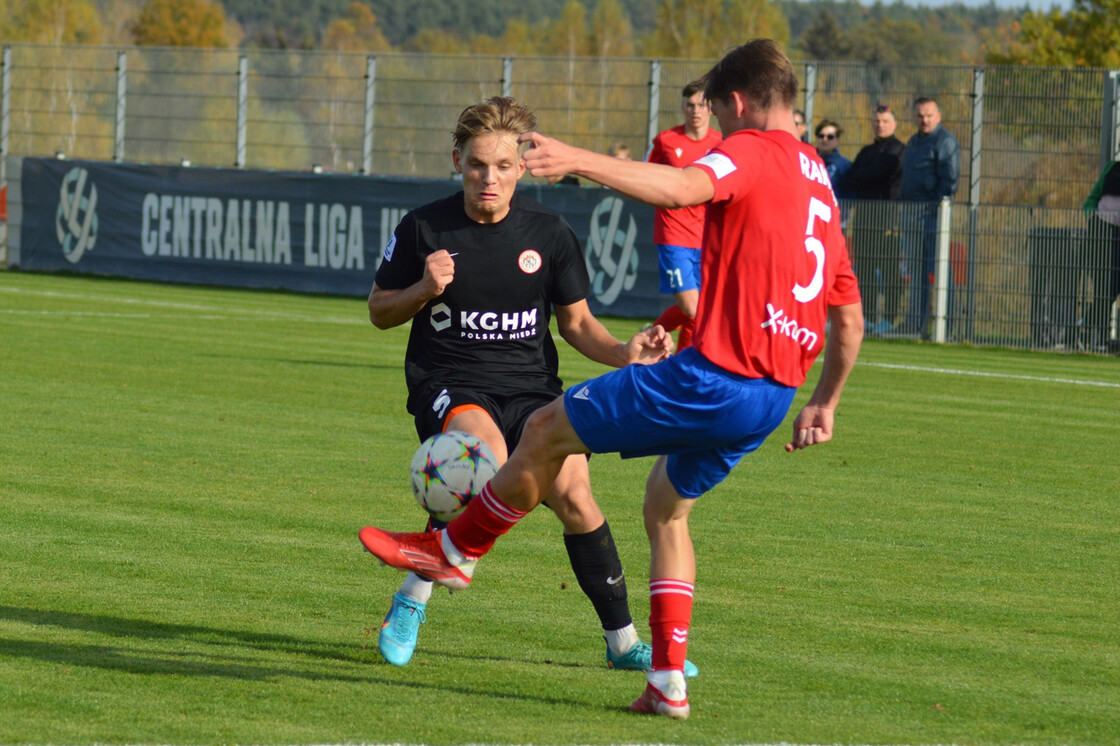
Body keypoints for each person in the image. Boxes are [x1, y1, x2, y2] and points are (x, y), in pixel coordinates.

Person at [360, 40, 863, 719]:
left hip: (715, 374)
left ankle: (454, 552)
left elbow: (684, 186)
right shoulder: (821, 185)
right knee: (665, 507)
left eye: (716, 111)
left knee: (544, 431)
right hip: (773, 398)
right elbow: (849, 317)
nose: (711, 126)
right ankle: (665, 682)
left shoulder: (753, 149)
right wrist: (824, 402)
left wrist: (577, 160)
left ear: (737, 104)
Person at [367, 95, 697, 677]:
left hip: (533, 390)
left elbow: (576, 325)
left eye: (501, 166)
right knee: (480, 465)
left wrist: (624, 353)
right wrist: (423, 288)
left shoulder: (549, 234)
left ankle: (621, 646)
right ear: (456, 161)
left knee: (576, 498)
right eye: (475, 165)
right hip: (451, 383)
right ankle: (409, 605)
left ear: (521, 167)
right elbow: (378, 311)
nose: (487, 178)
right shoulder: (423, 226)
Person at [645, 80, 723, 353]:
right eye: (690, 105)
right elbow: (646, 176)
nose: (696, 111)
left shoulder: (721, 144)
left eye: (701, 105)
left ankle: (656, 339)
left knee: (701, 309)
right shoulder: (667, 141)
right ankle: (683, 362)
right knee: (692, 308)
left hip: (708, 238)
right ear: (683, 107)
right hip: (674, 235)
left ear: (710, 108)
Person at [899, 96, 960, 337]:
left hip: (933, 214)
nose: (924, 120)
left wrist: (934, 205)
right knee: (916, 271)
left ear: (939, 116)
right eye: (920, 116)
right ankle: (916, 324)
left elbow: (950, 179)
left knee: (941, 270)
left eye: (929, 115)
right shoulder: (914, 141)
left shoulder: (945, 142)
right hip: (911, 212)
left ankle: (949, 327)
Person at [843, 104, 905, 335]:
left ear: (894, 124)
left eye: (885, 121)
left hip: (888, 221)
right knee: (865, 268)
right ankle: (868, 316)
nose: (880, 125)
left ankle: (889, 318)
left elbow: (886, 178)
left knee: (889, 269)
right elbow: (851, 179)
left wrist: (867, 177)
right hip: (864, 219)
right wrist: (869, 177)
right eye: (877, 121)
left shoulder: (899, 151)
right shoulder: (867, 151)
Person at [1082, 159, 1120, 351]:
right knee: (1103, 285)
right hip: (1103, 230)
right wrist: (1090, 216)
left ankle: (1084, 326)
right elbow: (1092, 198)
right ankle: (1100, 338)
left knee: (1114, 287)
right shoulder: (1112, 170)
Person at [814, 119, 851, 198]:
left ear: (837, 140)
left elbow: (850, 194)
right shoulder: (808, 161)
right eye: (821, 136)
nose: (825, 140)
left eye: (830, 137)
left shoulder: (845, 165)